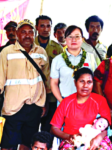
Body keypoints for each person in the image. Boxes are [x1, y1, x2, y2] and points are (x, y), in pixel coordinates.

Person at [0, 19, 50, 150]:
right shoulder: (6, 52)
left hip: (35, 105)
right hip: (13, 106)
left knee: (28, 142)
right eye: (23, 32)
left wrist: (45, 103)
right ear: (17, 33)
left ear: (34, 34)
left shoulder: (41, 52)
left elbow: (46, 81)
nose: (27, 35)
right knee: (7, 143)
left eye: (30, 32)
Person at [50, 67, 111, 150]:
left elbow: (106, 127)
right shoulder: (66, 102)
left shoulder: (100, 101)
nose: (85, 85)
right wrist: (69, 136)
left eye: (89, 82)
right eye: (82, 81)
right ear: (75, 82)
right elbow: (54, 128)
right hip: (72, 140)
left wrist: (99, 138)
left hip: (96, 138)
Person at [50, 25, 97, 104]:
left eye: (77, 36)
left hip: (86, 101)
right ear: (65, 39)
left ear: (82, 39)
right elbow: (53, 83)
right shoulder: (57, 60)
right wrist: (62, 102)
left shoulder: (90, 58)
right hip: (65, 101)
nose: (73, 40)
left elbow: (95, 81)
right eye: (70, 37)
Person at [35, 15, 63, 138]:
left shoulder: (57, 48)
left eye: (48, 26)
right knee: (31, 128)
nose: (45, 29)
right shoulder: (29, 45)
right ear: (36, 27)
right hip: (33, 95)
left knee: (47, 129)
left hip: (51, 96)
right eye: (42, 26)